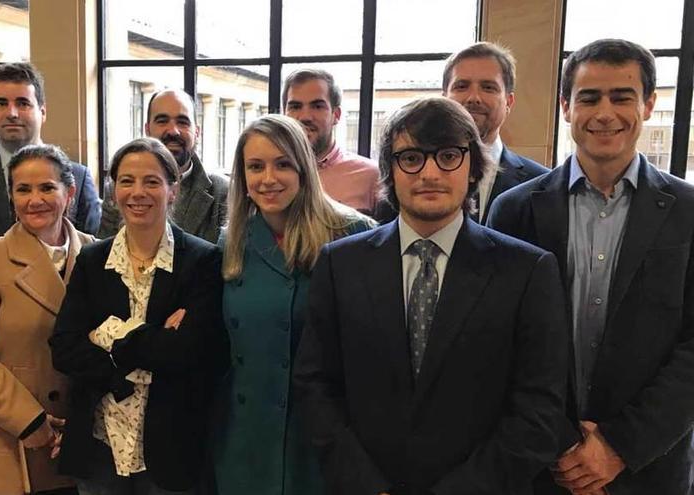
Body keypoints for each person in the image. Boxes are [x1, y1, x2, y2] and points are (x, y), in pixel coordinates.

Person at [294, 97, 577, 494]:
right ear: (390, 170)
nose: (429, 172)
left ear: (473, 166)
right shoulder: (341, 264)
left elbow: (538, 411)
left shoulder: (526, 271)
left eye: (447, 155)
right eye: (410, 158)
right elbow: (315, 386)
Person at [488, 38, 694, 495]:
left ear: (649, 105)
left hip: (649, 467)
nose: (605, 113)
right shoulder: (514, 210)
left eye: (622, 97)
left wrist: (619, 447)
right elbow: (497, 342)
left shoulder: (689, 212)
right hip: (540, 465)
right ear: (565, 106)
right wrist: (565, 445)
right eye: (588, 97)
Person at [50, 137, 228, 494]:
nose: (138, 192)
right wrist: (152, 339)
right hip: (99, 443)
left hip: (170, 446)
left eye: (152, 181)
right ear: (114, 189)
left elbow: (192, 352)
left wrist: (107, 337)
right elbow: (64, 347)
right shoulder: (92, 259)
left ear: (173, 190)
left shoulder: (201, 261)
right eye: (126, 181)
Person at [212, 114, 374, 495]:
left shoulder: (353, 235)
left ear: (303, 167)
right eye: (256, 166)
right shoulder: (230, 241)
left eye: (282, 163)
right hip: (244, 437)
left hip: (323, 437)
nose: (268, 178)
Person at [0, 144, 95, 495]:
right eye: (23, 189)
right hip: (11, 442)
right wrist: (31, 422)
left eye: (47, 187)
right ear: (11, 196)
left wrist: (77, 425)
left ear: (70, 192)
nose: (35, 200)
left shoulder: (97, 253)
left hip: (80, 443)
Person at [0, 62, 101, 237]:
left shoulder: (79, 178)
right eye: (1, 103)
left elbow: (91, 253)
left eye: (22, 103)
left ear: (43, 112)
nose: (12, 113)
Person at [99, 89, 229, 243]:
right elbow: (105, 253)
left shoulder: (223, 192)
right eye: (162, 121)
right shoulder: (119, 189)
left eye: (182, 122)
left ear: (197, 132)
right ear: (147, 130)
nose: (173, 131)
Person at [442, 42, 549, 222]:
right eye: (461, 86)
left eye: (488, 87)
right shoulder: (413, 176)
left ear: (509, 101)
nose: (474, 98)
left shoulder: (543, 186)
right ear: (444, 97)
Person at [283, 68, 380, 216]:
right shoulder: (269, 175)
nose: (305, 117)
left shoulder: (371, 177)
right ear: (284, 114)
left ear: (336, 115)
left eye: (317, 106)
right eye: (295, 107)